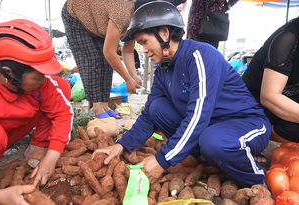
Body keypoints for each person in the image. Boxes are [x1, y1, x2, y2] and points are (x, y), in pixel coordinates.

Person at [93, 1, 272, 188]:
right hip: (210, 128)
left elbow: (198, 115)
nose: (143, 51)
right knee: (156, 108)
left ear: (164, 33)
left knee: (213, 140)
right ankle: (205, 157)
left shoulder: (200, 56)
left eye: (144, 42)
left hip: (245, 124)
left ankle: (257, 181)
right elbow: (148, 115)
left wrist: (162, 160)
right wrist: (122, 145)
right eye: (140, 45)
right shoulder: (163, 69)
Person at [0, 19, 73, 205]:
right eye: (38, 77)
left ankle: (36, 149)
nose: (43, 80)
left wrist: (52, 155)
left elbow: (62, 113)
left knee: (61, 87)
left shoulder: (37, 79)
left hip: (13, 129)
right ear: (9, 73)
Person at [61, 0, 185, 119]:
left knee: (106, 63)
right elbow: (109, 52)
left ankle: (105, 105)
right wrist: (127, 79)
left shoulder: (137, 22)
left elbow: (127, 51)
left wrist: (133, 75)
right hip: (75, 16)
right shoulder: (123, 13)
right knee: (91, 60)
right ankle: (97, 109)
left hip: (96, 24)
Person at [242, 17, 299, 164]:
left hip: (288, 97)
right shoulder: (287, 39)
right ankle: (255, 136)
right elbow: (269, 97)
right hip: (254, 102)